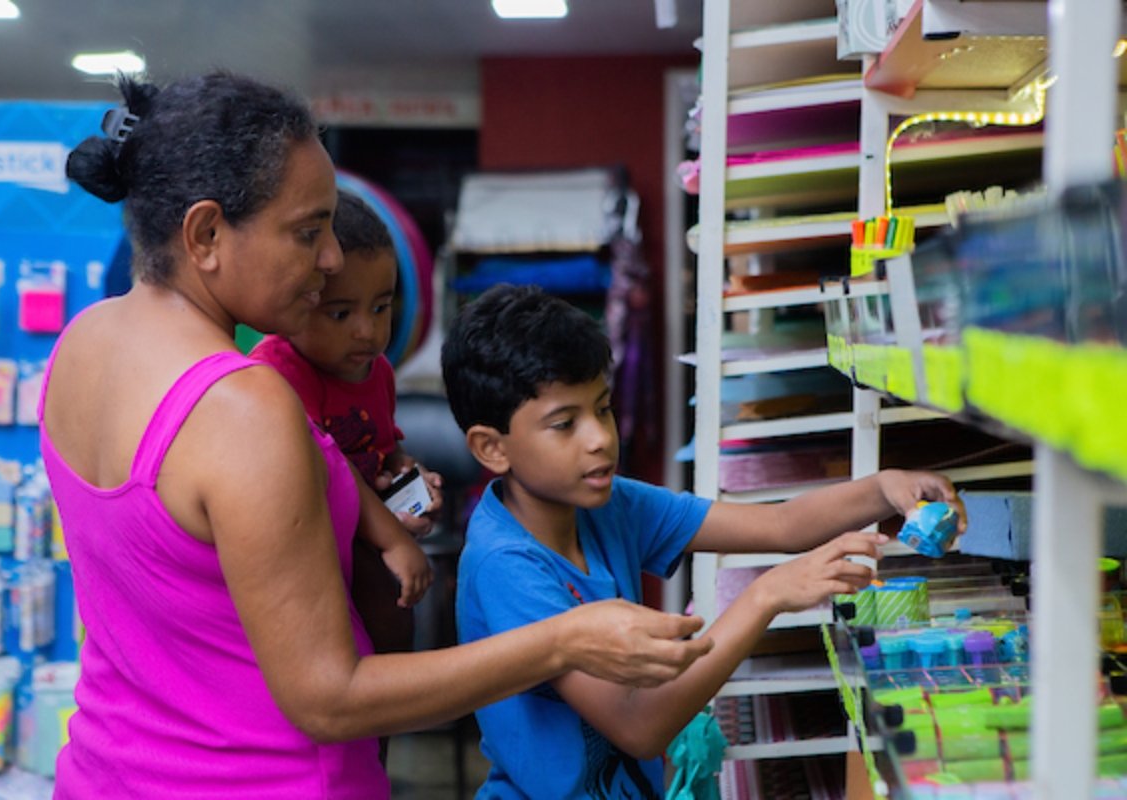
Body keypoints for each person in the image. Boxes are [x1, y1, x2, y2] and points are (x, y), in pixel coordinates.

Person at [46, 71, 712, 799]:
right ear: (206, 234)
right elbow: (330, 698)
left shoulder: (81, 347)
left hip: (105, 773)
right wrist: (565, 639)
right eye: (307, 232)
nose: (331, 258)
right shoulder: (244, 405)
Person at [441, 283, 966, 800]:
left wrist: (884, 487)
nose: (600, 437)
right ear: (492, 448)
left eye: (602, 409)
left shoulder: (606, 504)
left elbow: (781, 526)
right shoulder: (507, 565)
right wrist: (765, 597)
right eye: (564, 423)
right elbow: (638, 725)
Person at [249, 190, 437, 760]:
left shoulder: (374, 370)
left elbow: (376, 451)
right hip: (310, 565)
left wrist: (405, 478)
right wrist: (391, 537)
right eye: (341, 313)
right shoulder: (273, 373)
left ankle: (376, 739)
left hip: (360, 548)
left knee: (394, 638)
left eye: (381, 308)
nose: (367, 332)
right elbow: (322, 459)